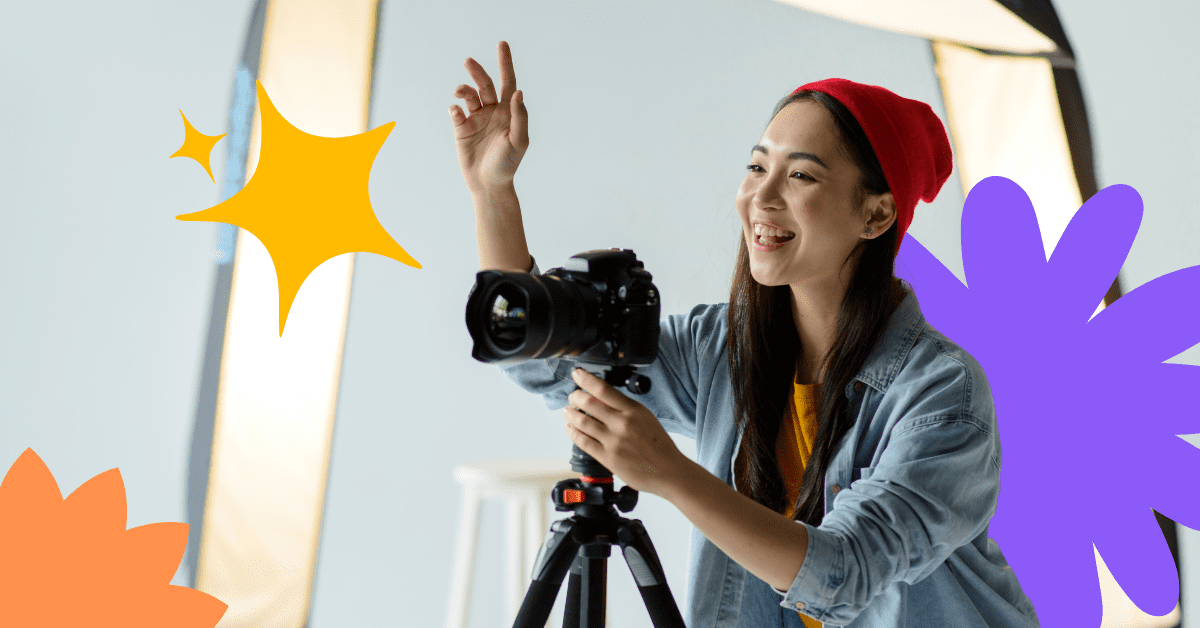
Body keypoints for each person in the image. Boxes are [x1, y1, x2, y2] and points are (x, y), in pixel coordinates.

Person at [450, 41, 1041, 628]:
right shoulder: (724, 348)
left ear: (876, 215)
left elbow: (847, 570)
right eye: (757, 166)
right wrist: (492, 192)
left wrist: (672, 476)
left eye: (801, 175)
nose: (761, 196)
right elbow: (553, 366)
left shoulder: (942, 395)